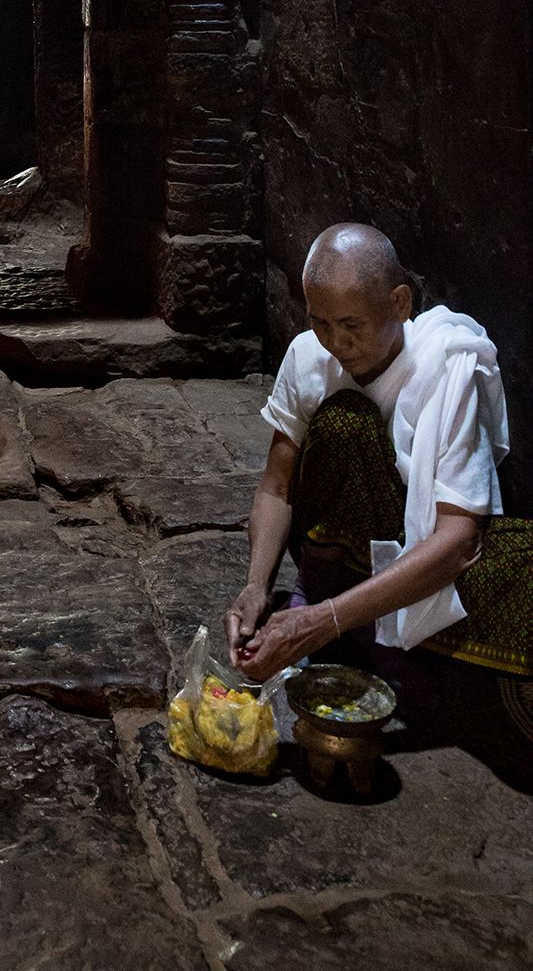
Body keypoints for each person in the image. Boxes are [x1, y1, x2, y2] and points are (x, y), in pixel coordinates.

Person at [224, 222, 530, 683]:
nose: (337, 343)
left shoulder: (446, 369)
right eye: (320, 323)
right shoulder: (309, 357)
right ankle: (334, 604)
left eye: (352, 325)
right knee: (346, 419)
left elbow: (458, 538)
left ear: (399, 304)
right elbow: (277, 487)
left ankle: (355, 623)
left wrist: (322, 622)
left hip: (413, 543)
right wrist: (255, 584)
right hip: (332, 551)